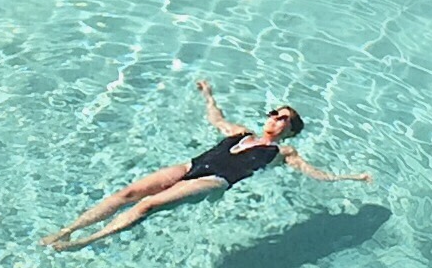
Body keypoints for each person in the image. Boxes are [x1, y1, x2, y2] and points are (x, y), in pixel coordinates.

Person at [41, 77, 372, 251]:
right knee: (129, 192)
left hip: (217, 181)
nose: (274, 118)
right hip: (193, 164)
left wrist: (351, 178)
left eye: (283, 117)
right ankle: (69, 229)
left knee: (149, 205)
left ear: (291, 130)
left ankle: (84, 243)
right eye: (274, 113)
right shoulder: (240, 131)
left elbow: (316, 174)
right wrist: (208, 95)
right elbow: (217, 119)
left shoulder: (284, 154)